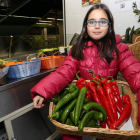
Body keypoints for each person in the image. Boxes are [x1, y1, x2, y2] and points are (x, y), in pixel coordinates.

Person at [30, 3, 140, 140]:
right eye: (92, 21)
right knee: (70, 134)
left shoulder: (119, 49)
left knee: (108, 135)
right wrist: (43, 91)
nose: (97, 26)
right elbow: (63, 72)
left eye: (103, 21)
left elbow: (136, 74)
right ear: (86, 25)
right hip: (82, 103)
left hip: (108, 104)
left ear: (109, 25)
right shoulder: (78, 49)